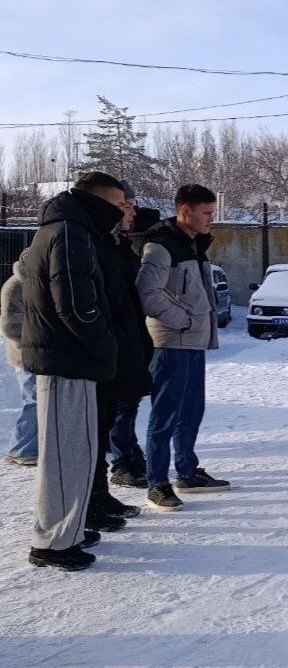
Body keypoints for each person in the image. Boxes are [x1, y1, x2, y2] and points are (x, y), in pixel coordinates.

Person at [21, 172, 125, 570]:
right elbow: (77, 307)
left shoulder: (67, 229)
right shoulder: (69, 233)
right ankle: (52, 543)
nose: (119, 214)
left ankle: (68, 529)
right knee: (67, 457)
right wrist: (104, 342)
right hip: (68, 361)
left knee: (73, 454)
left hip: (68, 359)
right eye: (117, 206)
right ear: (97, 201)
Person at [137, 184, 228, 512]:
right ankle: (156, 482)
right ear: (184, 211)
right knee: (165, 416)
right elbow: (148, 293)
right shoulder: (161, 246)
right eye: (206, 213)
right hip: (172, 344)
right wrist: (186, 321)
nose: (211, 219)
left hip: (192, 345)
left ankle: (187, 472)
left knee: (191, 412)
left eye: (212, 213)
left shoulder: (194, 244)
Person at [86, 180, 150, 528]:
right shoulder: (92, 244)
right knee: (96, 434)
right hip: (101, 359)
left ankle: (100, 495)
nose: (132, 212)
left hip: (120, 355)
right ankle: (91, 501)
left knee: (108, 425)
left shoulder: (116, 244)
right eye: (126, 205)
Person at [109, 205, 162, 488]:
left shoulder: (127, 251)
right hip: (122, 343)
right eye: (124, 207)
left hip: (134, 340)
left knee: (126, 407)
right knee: (121, 408)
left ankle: (130, 456)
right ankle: (122, 462)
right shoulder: (120, 252)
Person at [2, 248, 37, 466]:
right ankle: (21, 449)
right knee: (33, 401)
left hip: (35, 352)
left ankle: (26, 447)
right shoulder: (15, 287)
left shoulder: (33, 284)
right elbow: (9, 326)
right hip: (25, 354)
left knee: (35, 401)